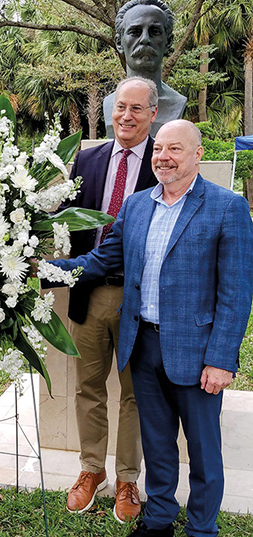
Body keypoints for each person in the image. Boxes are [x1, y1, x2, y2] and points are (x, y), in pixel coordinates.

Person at [49, 120, 253, 537]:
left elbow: (236, 293)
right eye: (159, 149)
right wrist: (43, 270)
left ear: (197, 155)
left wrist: (220, 359)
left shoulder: (226, 207)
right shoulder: (138, 204)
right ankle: (159, 519)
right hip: (142, 346)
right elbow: (102, 260)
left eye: (175, 149)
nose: (164, 157)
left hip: (197, 353)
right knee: (158, 445)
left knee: (203, 451)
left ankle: (201, 528)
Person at [61, 77, 158, 523]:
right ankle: (90, 470)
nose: (127, 116)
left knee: (135, 394)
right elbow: (64, 220)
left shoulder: (164, 160)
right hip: (88, 293)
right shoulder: (87, 157)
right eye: (121, 107)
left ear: (152, 114)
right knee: (88, 386)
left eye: (137, 109)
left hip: (141, 298)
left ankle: (126, 478)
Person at [103, 0, 186, 137]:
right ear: (119, 43)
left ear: (168, 42)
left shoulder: (177, 102)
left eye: (154, 32)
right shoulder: (109, 103)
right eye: (135, 32)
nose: (145, 39)